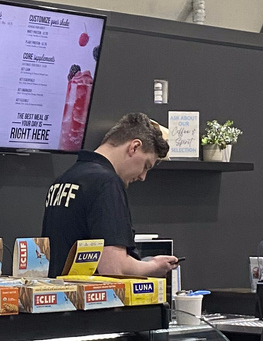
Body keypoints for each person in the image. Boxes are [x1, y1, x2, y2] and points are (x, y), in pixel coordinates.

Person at [42, 112, 179, 278]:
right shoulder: (106, 183)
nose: (143, 177)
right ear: (134, 147)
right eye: (146, 165)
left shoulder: (64, 179)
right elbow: (113, 268)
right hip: (92, 301)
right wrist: (153, 266)